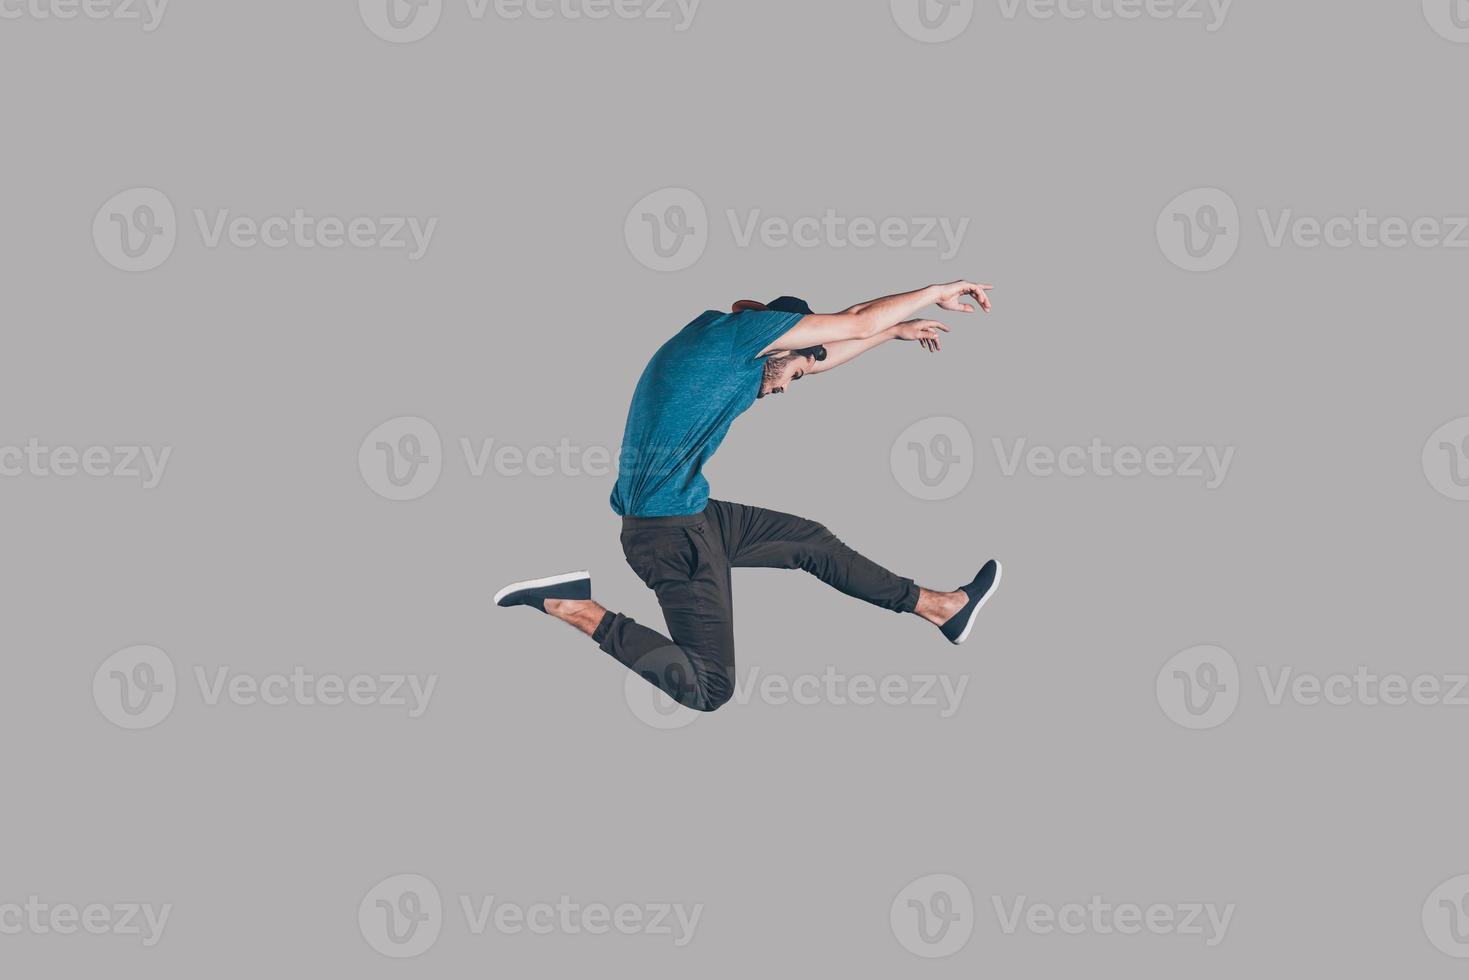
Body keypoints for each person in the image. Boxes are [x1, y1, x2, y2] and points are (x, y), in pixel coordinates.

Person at [495, 281, 1002, 712]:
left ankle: (942, 607)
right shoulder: (740, 338)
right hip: (669, 534)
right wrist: (935, 292)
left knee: (811, 542)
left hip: (691, 514)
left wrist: (891, 333)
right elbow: (854, 320)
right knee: (709, 687)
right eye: (795, 375)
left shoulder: (725, 353)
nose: (784, 391)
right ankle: (573, 606)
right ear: (779, 341)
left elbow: (824, 351)